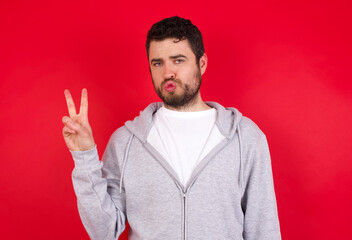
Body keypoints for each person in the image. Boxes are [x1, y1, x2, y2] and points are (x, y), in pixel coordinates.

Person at [62, 16, 281, 240]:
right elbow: (103, 231)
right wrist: (84, 157)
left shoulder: (244, 137)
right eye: (158, 63)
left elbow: (263, 229)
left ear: (202, 63)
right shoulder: (125, 142)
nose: (168, 72)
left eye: (178, 60)